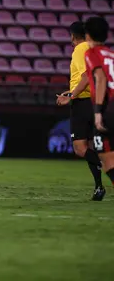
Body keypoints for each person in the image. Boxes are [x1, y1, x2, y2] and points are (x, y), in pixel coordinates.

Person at [56, 21, 105, 200]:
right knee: (92, 146)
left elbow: (85, 75)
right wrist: (72, 92)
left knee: (80, 148)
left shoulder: (80, 48)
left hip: (83, 102)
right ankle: (98, 187)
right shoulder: (93, 48)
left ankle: (108, 166)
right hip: (97, 100)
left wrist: (71, 96)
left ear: (72, 36)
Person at [82, 16, 114, 188]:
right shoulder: (111, 54)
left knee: (106, 157)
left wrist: (98, 112)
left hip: (108, 106)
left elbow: (100, 78)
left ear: (87, 35)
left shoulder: (92, 53)